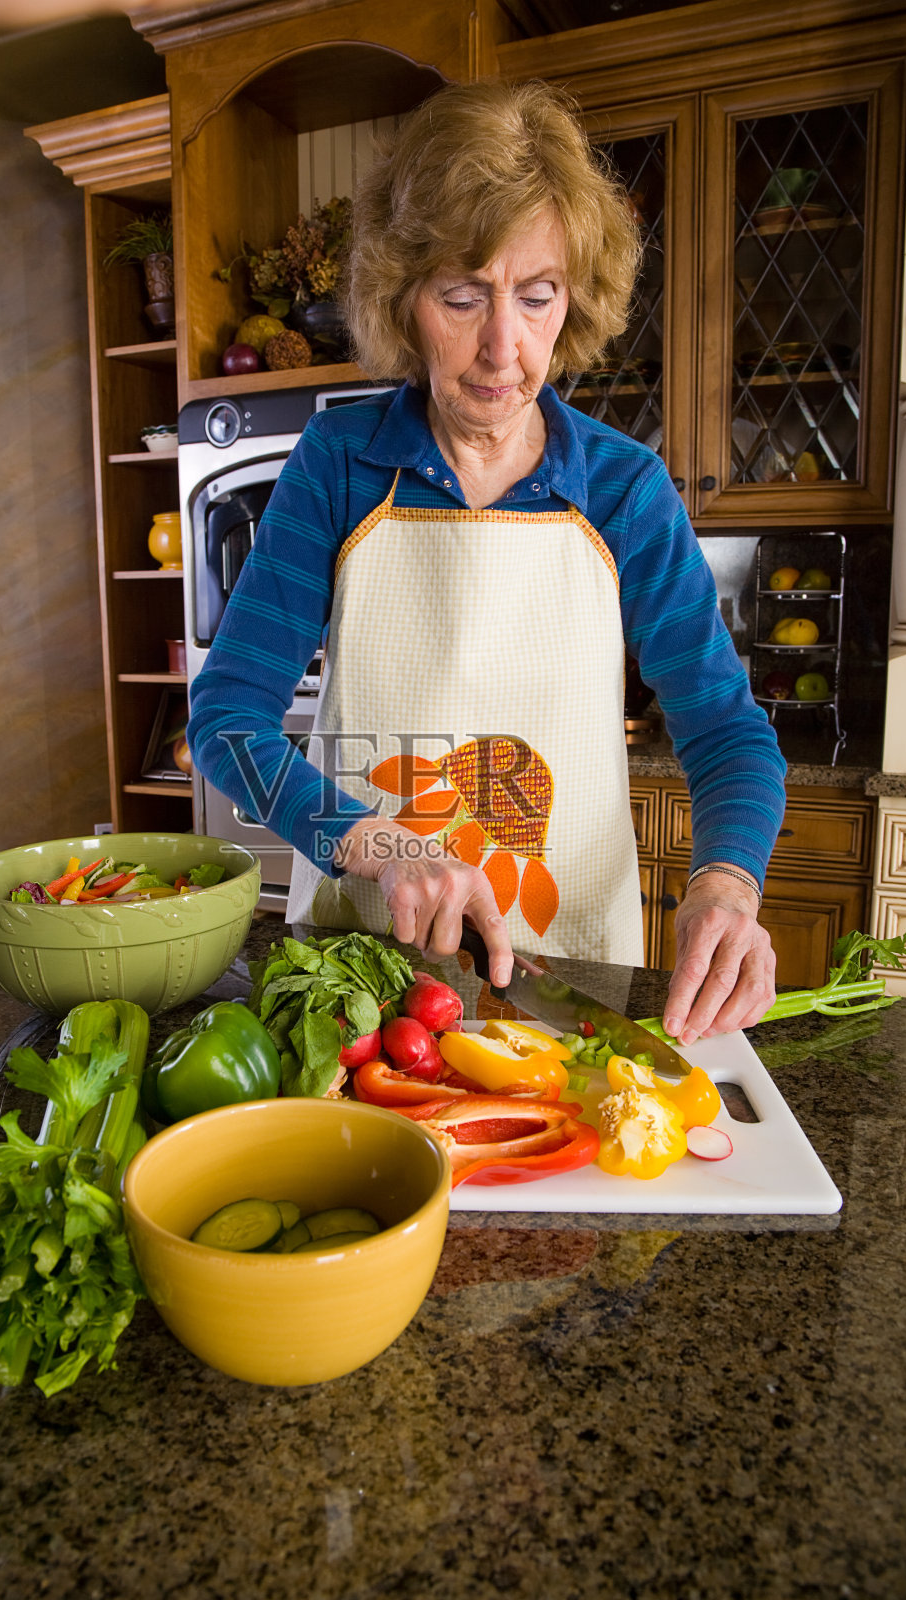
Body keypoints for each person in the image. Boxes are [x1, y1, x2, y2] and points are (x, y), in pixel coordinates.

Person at [188, 77, 787, 1047]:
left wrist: (726, 883)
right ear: (405, 297)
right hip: (361, 991)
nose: (503, 347)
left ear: (572, 298)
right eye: (462, 296)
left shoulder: (625, 492)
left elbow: (727, 734)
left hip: (568, 989)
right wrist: (374, 845)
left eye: (537, 296)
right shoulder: (340, 467)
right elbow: (225, 721)